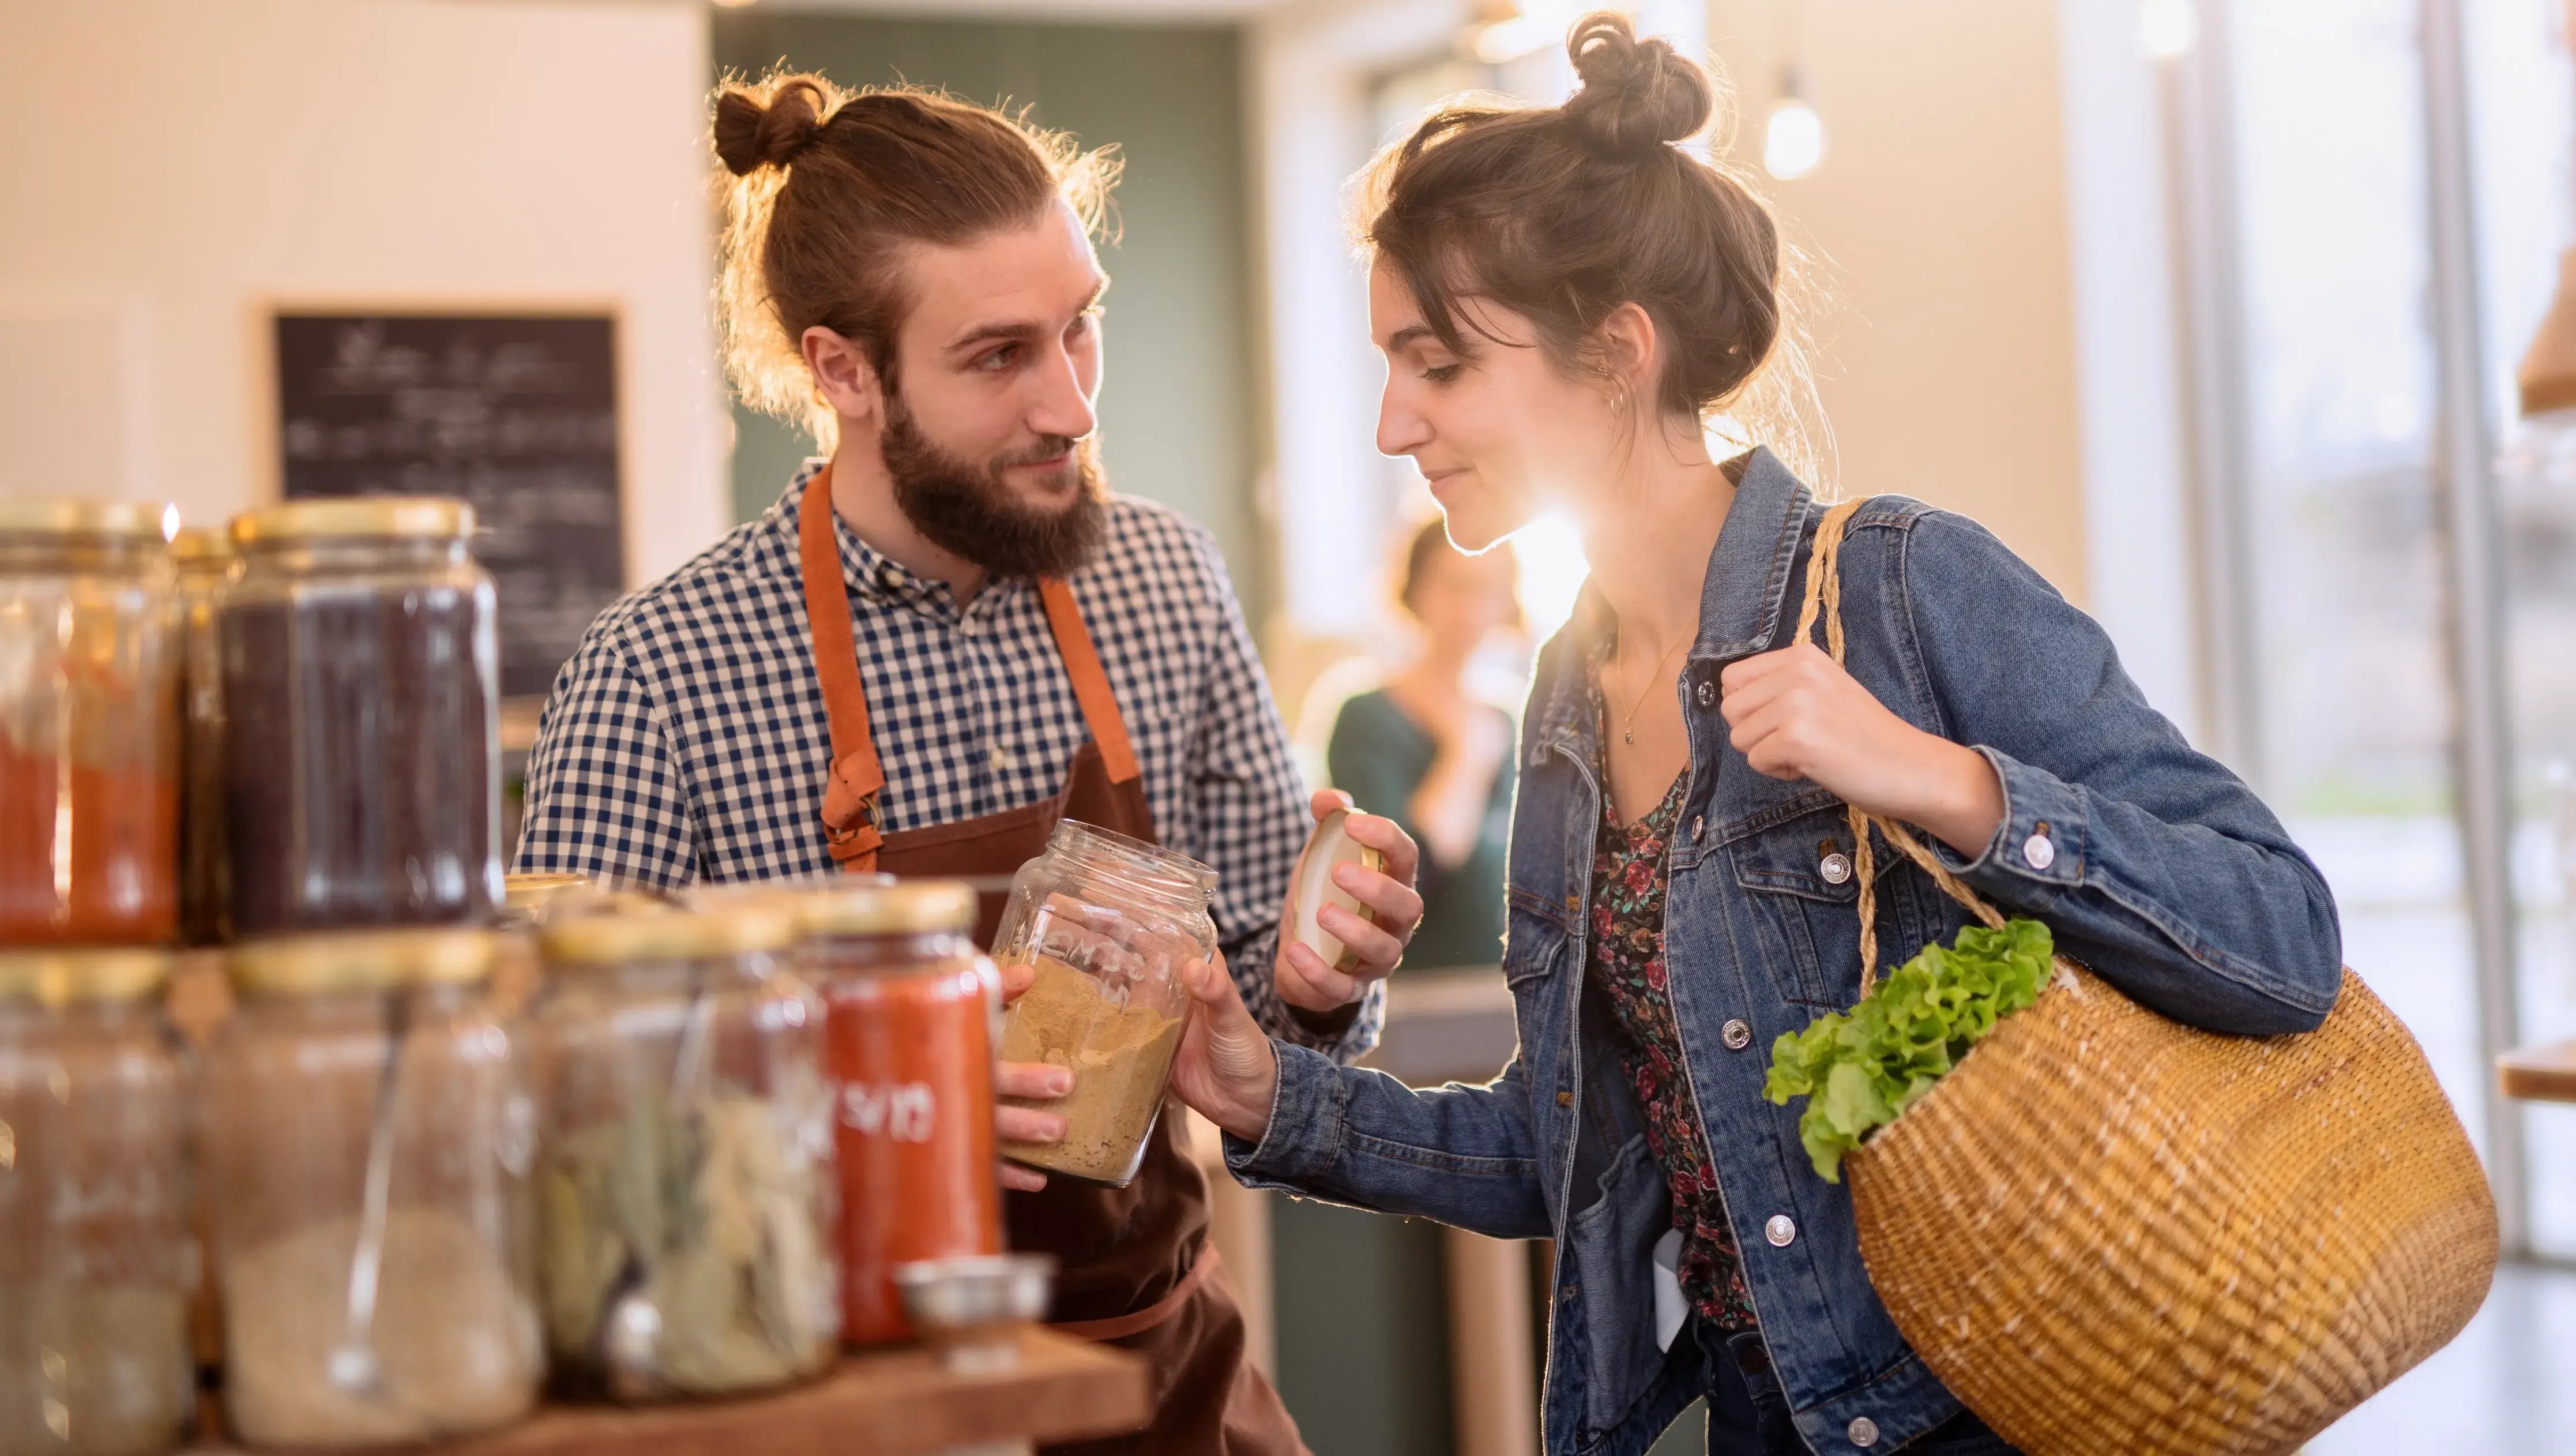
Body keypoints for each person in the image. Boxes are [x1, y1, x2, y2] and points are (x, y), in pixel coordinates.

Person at [1164, 16, 2344, 1456]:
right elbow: (1585, 1150)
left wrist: (1945, 784)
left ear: (1613, 356)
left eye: (1439, 364)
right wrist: (1268, 1093)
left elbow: (2282, 935)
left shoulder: (1904, 585)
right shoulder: (1564, 704)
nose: (1391, 423)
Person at [515, 75, 1424, 1456]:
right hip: (845, 1403)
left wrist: (1312, 980)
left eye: (1082, 327)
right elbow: (558, 1109)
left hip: (1164, 1369)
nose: (1069, 404)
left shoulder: (1162, 580)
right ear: (843, 371)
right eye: (1000, 355)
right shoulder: (659, 672)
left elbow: (1245, 1003)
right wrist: (868, 1094)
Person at [1324, 528, 1521, 970]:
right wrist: (1464, 754)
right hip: (1412, 987)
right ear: (1414, 588)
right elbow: (1406, 876)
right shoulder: (1368, 716)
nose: (1470, 609)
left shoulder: (1509, 721)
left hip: (1499, 983)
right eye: (1454, 585)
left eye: (1488, 588)